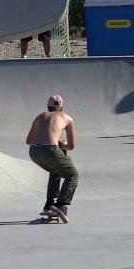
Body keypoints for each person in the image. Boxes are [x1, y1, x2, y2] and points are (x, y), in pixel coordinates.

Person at [25, 94, 78, 224]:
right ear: (62, 107)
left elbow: (28, 141)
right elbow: (71, 146)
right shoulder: (67, 118)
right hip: (50, 151)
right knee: (72, 174)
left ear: (48, 107)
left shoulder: (40, 116)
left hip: (34, 152)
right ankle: (59, 205)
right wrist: (60, 143)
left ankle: (49, 205)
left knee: (56, 171)